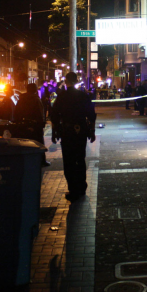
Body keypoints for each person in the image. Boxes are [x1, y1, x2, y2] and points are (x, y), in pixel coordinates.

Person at [51, 72, 97, 201]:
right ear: (76, 81)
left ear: (66, 82)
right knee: (80, 159)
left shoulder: (62, 96)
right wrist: (92, 131)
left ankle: (73, 189)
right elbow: (91, 115)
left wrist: (55, 132)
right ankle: (82, 187)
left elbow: (54, 115)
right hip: (81, 130)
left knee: (69, 161)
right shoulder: (83, 96)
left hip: (67, 132)